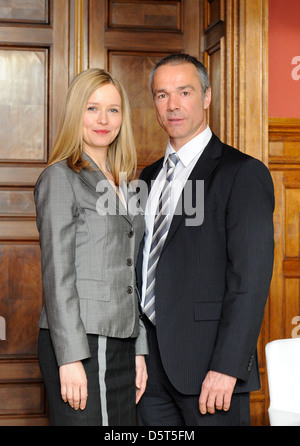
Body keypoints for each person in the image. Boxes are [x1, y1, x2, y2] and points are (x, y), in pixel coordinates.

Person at [136, 53, 274, 426]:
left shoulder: (241, 173)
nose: (173, 105)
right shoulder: (146, 178)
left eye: (185, 92)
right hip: (148, 375)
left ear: (207, 96)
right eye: (162, 95)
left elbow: (251, 280)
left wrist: (228, 367)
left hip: (210, 373)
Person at [34, 68, 148, 426]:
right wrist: (68, 358)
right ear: (75, 114)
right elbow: (58, 275)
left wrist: (139, 349)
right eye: (92, 108)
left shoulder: (127, 182)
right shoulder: (60, 176)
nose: (104, 119)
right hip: (80, 340)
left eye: (113, 110)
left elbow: (134, 271)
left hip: (122, 341)